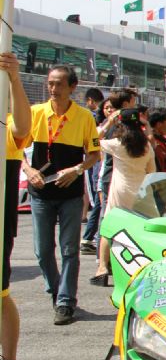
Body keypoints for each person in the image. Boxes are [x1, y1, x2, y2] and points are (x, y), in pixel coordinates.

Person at [22, 65, 101, 325]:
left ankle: (66, 301)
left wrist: (77, 169)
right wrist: (29, 170)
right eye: (50, 83)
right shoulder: (35, 113)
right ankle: (56, 291)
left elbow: (94, 154)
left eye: (59, 84)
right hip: (40, 193)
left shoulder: (84, 117)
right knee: (42, 250)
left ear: (72, 87)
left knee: (69, 249)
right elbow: (16, 147)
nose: (53, 88)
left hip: (71, 194)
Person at [92, 108, 155, 286]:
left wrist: (108, 123)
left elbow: (92, 140)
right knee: (139, 230)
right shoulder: (146, 146)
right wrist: (147, 126)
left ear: (120, 124)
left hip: (120, 190)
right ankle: (139, 267)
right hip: (141, 192)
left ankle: (102, 269)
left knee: (109, 229)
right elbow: (152, 171)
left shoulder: (117, 144)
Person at [0, 52, 33, 360]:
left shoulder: (5, 127)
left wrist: (14, 78)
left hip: (0, 225)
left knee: (1, 293)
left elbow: (23, 128)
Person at [79, 87, 105, 255]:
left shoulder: (94, 117)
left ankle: (90, 238)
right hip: (92, 163)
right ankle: (89, 238)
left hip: (96, 163)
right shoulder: (89, 117)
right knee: (97, 202)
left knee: (98, 202)